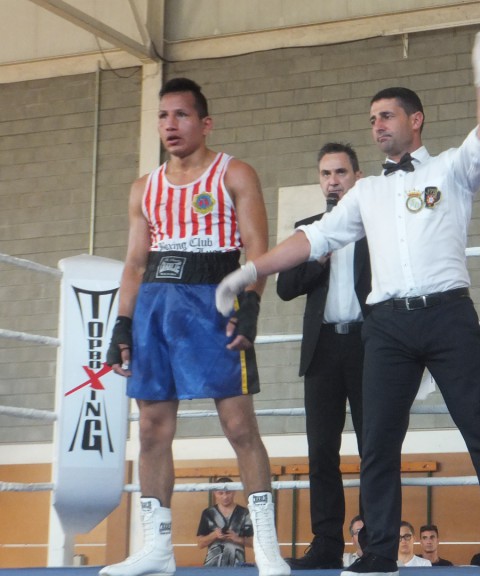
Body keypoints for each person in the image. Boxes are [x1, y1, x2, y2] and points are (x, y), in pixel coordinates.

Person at [215, 28, 480, 576]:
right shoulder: (365, 191)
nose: (377, 126)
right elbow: (313, 240)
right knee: (377, 445)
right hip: (388, 325)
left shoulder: (449, 170)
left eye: (387, 116)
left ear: (414, 120)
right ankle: (376, 553)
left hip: (448, 314)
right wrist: (252, 269)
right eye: (372, 118)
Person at [101, 77, 289, 576]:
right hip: (157, 309)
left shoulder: (235, 174)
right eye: (163, 116)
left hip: (215, 303)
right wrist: (121, 324)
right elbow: (135, 263)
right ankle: (157, 548)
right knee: (152, 430)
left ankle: (266, 547)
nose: (170, 125)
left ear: (205, 123)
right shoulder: (145, 187)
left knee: (238, 425)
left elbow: (257, 252)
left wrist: (251, 305)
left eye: (181, 115)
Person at [277, 142, 368, 570]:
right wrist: (320, 257)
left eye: (341, 173)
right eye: (326, 174)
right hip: (324, 349)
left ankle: (376, 541)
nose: (333, 181)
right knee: (321, 452)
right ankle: (327, 543)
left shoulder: (376, 223)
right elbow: (284, 287)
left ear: (356, 175)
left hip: (371, 348)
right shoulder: (308, 229)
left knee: (377, 448)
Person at [196, 478, 254, 567]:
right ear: (215, 493)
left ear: (234, 491)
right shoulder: (208, 513)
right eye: (220, 493)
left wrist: (238, 539)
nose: (225, 496)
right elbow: (200, 544)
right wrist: (214, 535)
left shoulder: (245, 513)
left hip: (238, 566)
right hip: (212, 566)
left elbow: (254, 543)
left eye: (228, 492)